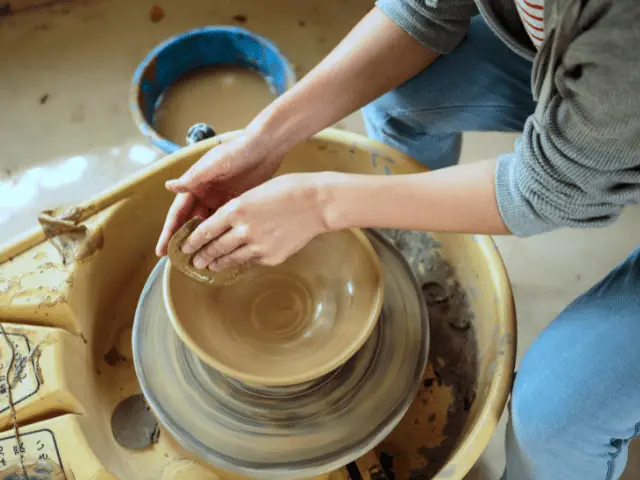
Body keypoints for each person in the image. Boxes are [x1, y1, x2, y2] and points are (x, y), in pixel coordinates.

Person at [156, 1, 640, 478]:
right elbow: (422, 11)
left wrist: (322, 204)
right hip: (586, 86)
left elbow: (552, 189)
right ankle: (403, 262)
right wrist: (264, 140)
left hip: (611, 98)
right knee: (402, 98)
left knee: (556, 416)